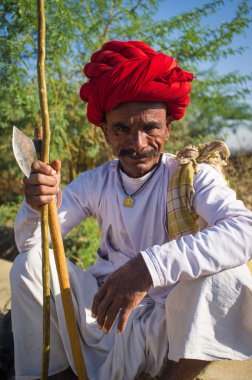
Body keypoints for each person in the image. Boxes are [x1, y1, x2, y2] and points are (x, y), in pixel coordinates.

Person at [11, 40, 252, 380]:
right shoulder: (96, 182)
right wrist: (36, 206)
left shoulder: (192, 176)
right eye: (122, 128)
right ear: (105, 131)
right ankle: (56, 373)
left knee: (231, 277)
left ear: (168, 127)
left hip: (171, 327)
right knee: (30, 265)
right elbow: (31, 245)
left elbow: (244, 231)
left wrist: (148, 267)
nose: (137, 143)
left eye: (150, 127)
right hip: (103, 318)